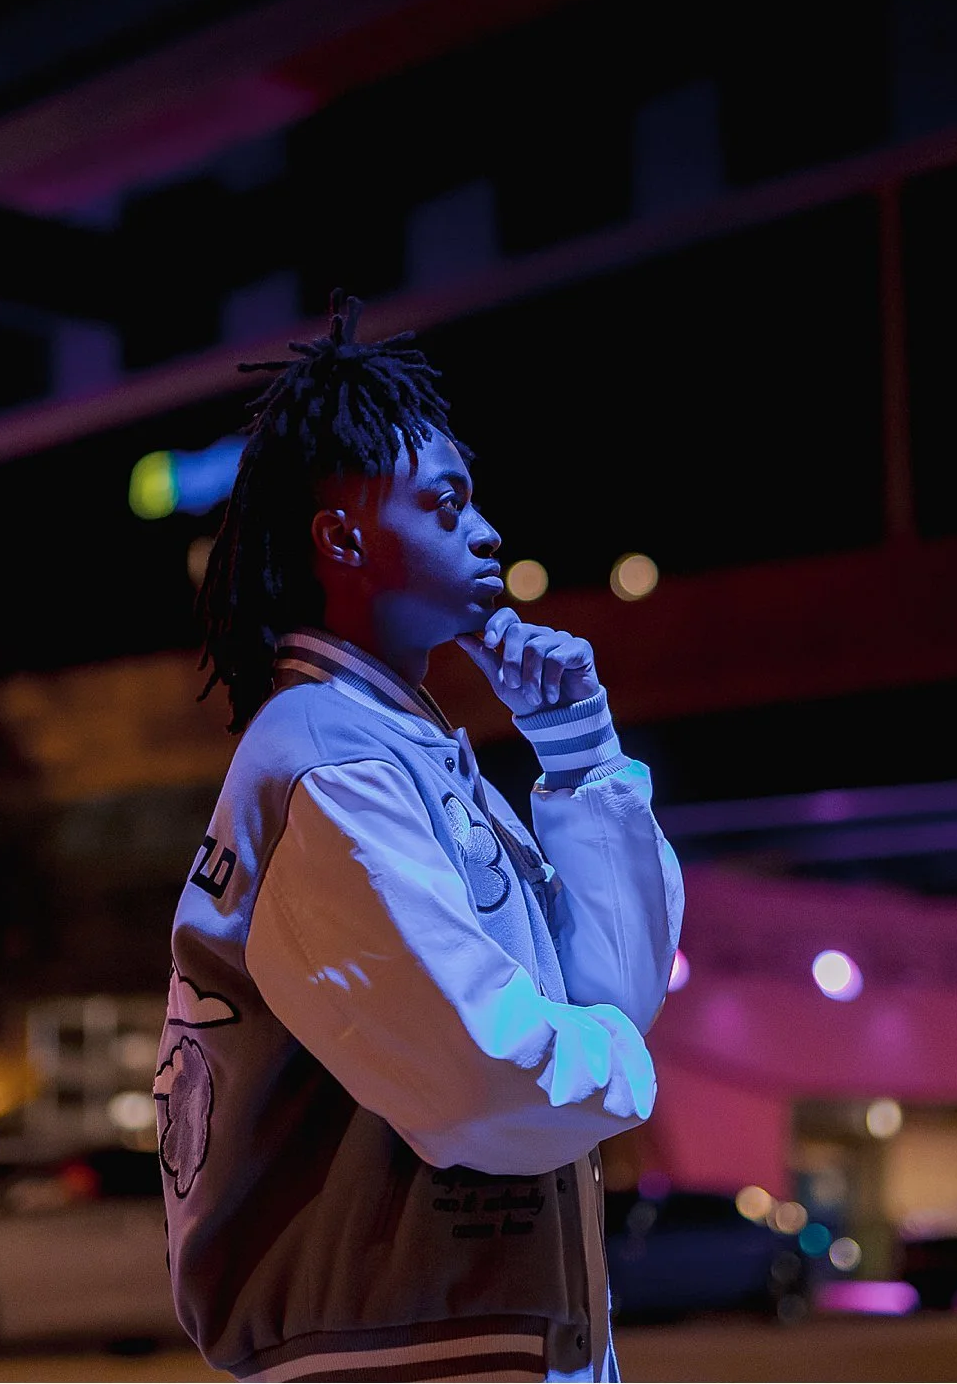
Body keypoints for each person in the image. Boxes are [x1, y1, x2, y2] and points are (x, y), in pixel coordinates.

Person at [154, 296, 684, 1382]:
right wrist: (627, 1064)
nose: (485, 528)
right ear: (343, 537)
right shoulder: (329, 763)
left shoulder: (404, 753)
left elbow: (611, 990)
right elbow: (484, 1081)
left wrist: (578, 755)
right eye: (444, 505)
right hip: (400, 1355)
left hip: (461, 1341)